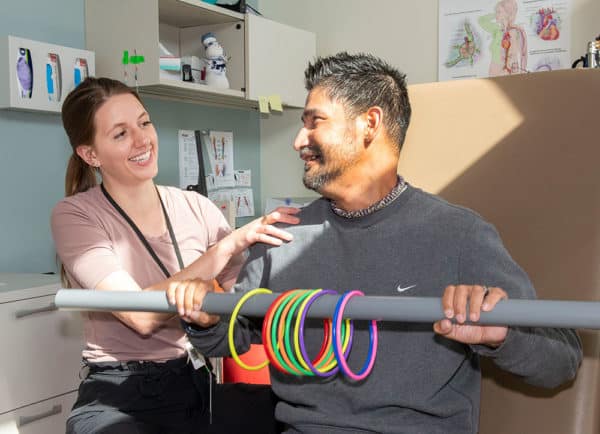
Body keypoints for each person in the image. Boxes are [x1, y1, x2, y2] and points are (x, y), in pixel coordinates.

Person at [171, 52, 582, 434]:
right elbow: (235, 336)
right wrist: (206, 314)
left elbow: (561, 360)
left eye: (315, 121)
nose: (298, 140)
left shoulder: (458, 235)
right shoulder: (283, 233)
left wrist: (501, 333)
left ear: (369, 123)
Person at [51, 76, 300, 434]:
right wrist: (227, 245)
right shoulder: (75, 215)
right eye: (120, 134)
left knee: (307, 414)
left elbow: (245, 305)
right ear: (91, 154)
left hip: (193, 384)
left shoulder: (196, 207)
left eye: (144, 123)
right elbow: (140, 316)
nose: (142, 140)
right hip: (119, 394)